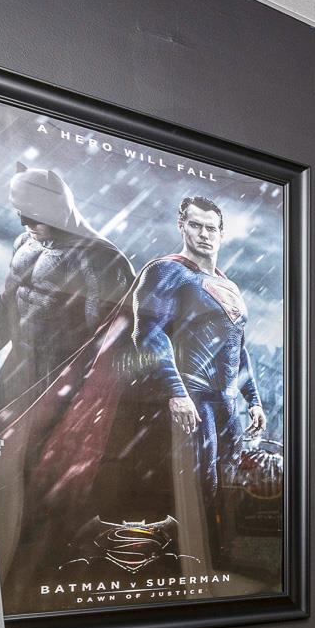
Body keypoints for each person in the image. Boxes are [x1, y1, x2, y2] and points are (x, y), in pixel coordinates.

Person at [131, 195, 266, 561]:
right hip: (193, 397)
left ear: (221, 233)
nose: (204, 234)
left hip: (226, 402)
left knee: (228, 481)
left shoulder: (228, 285)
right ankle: (192, 561)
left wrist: (253, 399)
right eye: (196, 225)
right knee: (198, 483)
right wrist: (176, 391)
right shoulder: (166, 270)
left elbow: (238, 347)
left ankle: (222, 558)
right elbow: (149, 333)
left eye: (211, 227)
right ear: (182, 226)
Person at [0, 164, 133, 419]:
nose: (24, 223)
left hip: (62, 378)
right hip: (18, 365)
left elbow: (113, 339)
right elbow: (7, 301)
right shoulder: (25, 243)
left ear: (58, 208)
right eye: (20, 213)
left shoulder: (101, 259)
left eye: (32, 214)